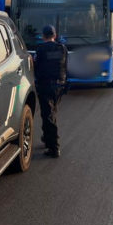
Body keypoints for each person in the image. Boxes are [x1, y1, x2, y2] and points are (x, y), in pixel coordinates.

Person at [34, 25, 68, 157]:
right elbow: (65, 66)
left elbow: (36, 64)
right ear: (54, 35)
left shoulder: (41, 49)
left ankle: (54, 147)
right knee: (50, 113)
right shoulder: (62, 48)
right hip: (60, 86)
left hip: (45, 86)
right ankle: (47, 138)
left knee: (48, 115)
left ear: (43, 36)